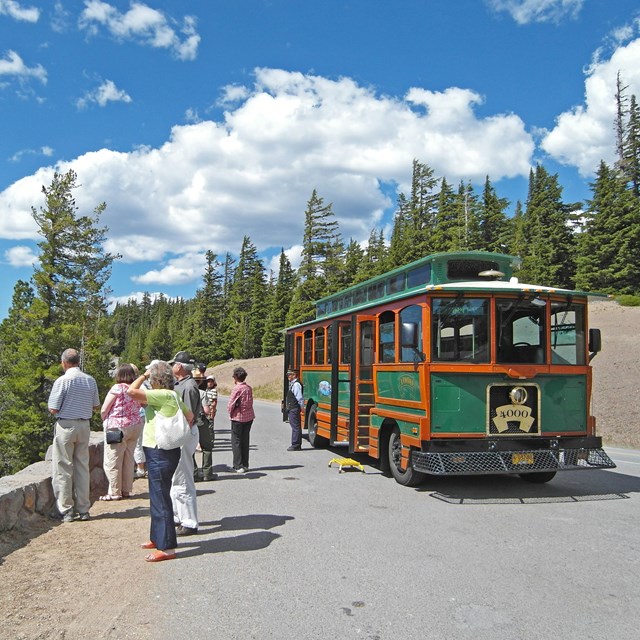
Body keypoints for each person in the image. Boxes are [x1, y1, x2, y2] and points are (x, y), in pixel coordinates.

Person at [127, 360, 193, 562]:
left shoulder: (162, 395)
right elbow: (189, 416)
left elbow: (131, 392)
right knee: (158, 496)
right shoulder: (171, 395)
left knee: (161, 498)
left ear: (156, 380)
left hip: (159, 451)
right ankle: (156, 538)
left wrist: (144, 375)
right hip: (165, 450)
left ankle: (167, 548)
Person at [47, 348, 100, 523]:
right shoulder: (90, 380)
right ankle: (84, 508)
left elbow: (53, 408)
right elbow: (95, 405)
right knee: (82, 466)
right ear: (77, 361)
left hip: (66, 424)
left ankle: (66, 509)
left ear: (64, 362)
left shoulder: (62, 381)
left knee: (63, 467)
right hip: (84, 425)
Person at [169, 351, 202, 535]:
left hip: (184, 434)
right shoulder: (183, 384)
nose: (172, 366)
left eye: (174, 364)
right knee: (177, 477)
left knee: (183, 478)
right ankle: (177, 516)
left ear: (179, 367)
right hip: (181, 435)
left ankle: (189, 521)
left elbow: (187, 417)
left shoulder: (188, 387)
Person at [99, 363, 144, 500]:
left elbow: (104, 409)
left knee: (113, 460)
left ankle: (114, 491)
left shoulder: (117, 388)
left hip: (118, 427)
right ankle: (126, 489)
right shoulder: (135, 389)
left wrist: (104, 419)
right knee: (129, 460)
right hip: (135, 425)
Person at [228, 366, 255, 473]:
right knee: (245, 440)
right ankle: (245, 464)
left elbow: (231, 404)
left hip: (238, 417)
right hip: (249, 416)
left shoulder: (236, 389)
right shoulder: (248, 388)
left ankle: (238, 465)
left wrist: (230, 413)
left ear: (235, 377)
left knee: (236, 441)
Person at [196, 375, 218, 482]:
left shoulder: (182, 391)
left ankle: (194, 472)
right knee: (207, 447)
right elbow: (206, 410)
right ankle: (207, 473)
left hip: (187, 421)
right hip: (200, 420)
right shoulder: (201, 393)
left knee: (189, 449)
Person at [285, 368, 304, 451]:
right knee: (295, 426)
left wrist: (302, 408)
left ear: (294, 375)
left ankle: (296, 444)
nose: (288, 376)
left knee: (296, 427)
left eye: (289, 375)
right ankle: (296, 444)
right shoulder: (292, 384)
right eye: (287, 375)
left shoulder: (296, 385)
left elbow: (299, 397)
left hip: (294, 408)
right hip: (292, 408)